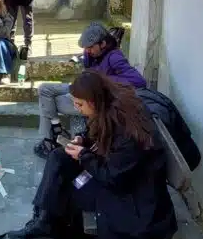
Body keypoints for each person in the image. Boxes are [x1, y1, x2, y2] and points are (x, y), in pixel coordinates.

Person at [6, 71, 176, 239]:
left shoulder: (127, 129)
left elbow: (113, 177)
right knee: (58, 157)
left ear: (94, 101)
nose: (76, 108)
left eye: (80, 104)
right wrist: (83, 139)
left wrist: (84, 155)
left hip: (131, 192)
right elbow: (98, 133)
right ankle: (42, 224)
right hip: (115, 170)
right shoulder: (110, 104)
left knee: (65, 188)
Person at [35, 22, 146, 158]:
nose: (87, 51)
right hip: (83, 90)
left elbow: (139, 81)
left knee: (49, 102)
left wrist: (103, 80)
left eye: (90, 47)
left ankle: (49, 139)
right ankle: (57, 128)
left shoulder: (114, 57)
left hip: (93, 101)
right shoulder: (93, 55)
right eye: (85, 48)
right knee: (44, 89)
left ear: (103, 44)